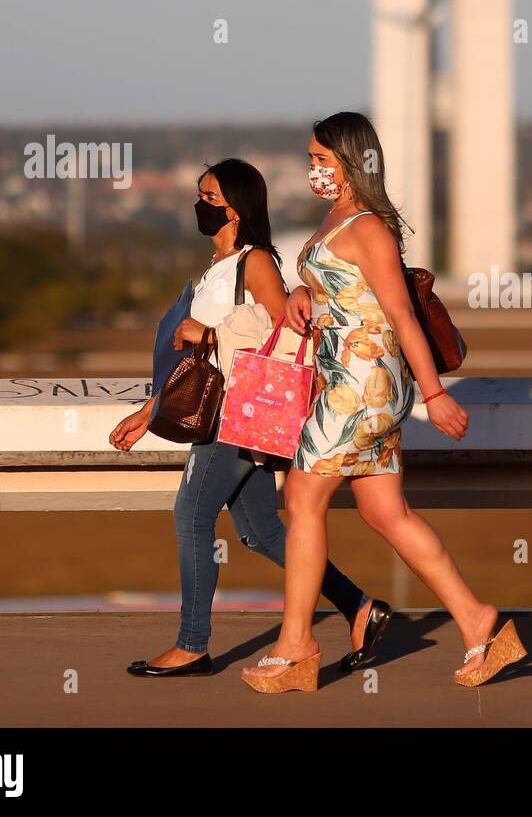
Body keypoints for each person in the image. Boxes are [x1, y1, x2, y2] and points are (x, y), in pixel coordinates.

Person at [241, 112, 525, 693]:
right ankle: (480, 624)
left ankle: (296, 647)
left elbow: (400, 315)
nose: (313, 169)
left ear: (352, 162)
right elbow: (342, 289)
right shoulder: (337, 219)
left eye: (323, 159)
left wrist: (436, 394)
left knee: (301, 495)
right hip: (348, 382)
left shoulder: (369, 227)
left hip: (361, 387)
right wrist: (301, 293)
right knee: (384, 513)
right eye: (312, 158)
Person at [108, 158, 391, 677]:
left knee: (191, 515)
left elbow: (288, 332)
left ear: (234, 210)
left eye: (209, 197)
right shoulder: (213, 272)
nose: (199, 205)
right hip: (222, 409)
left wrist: (211, 334)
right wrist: (150, 412)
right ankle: (359, 606)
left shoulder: (254, 262)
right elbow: (195, 362)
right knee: (261, 531)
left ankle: (193, 644)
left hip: (240, 412)